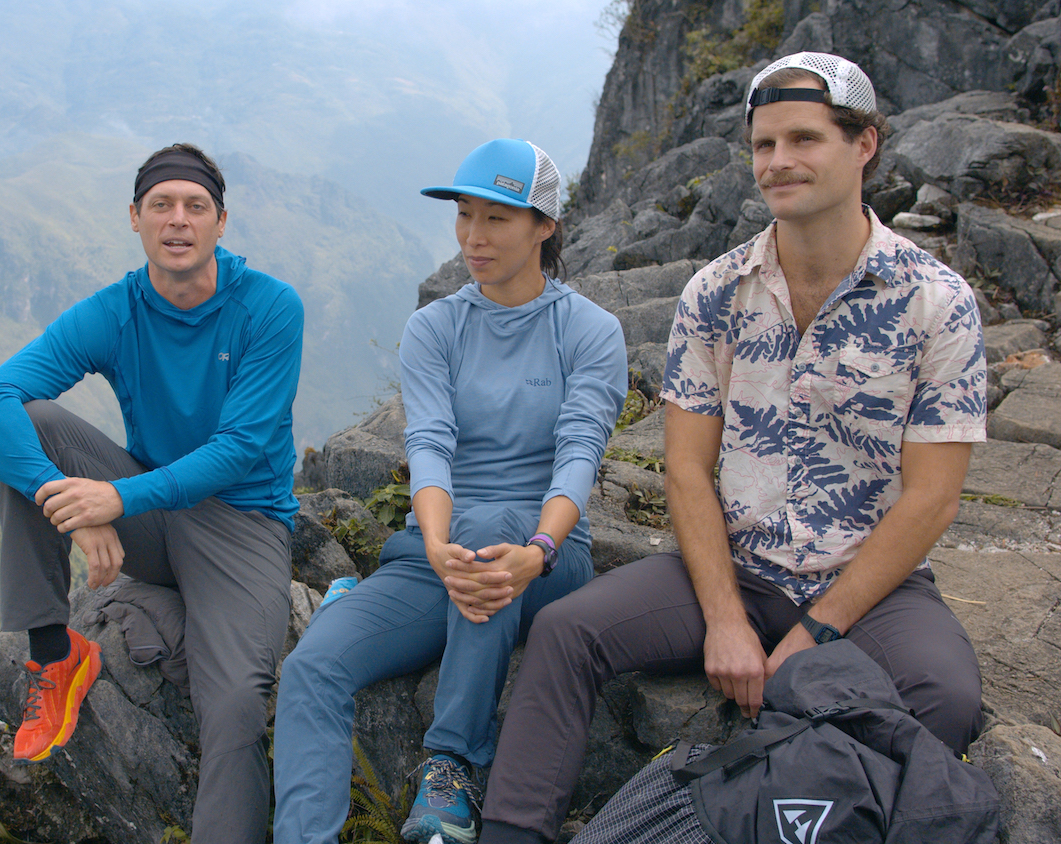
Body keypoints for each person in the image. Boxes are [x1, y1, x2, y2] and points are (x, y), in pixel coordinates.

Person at [475, 52, 989, 844]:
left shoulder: (936, 301)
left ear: (864, 145)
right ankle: (516, 832)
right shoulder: (716, 292)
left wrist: (814, 635)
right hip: (735, 565)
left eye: (804, 139)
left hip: (871, 586)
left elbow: (933, 497)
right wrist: (724, 620)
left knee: (946, 699)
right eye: (763, 144)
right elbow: (685, 466)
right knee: (566, 633)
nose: (779, 162)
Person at [273, 139, 628, 844]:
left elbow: (578, 456)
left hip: (546, 556)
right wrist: (434, 544)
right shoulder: (437, 327)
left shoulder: (589, 331)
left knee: (492, 531)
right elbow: (429, 445)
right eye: (464, 216)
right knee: (314, 666)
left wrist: (539, 547)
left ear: (544, 226)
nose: (473, 236)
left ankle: (453, 764)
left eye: (496, 219)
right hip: (437, 552)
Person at [0, 142, 303, 844]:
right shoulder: (115, 311)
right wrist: (66, 499)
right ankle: (55, 654)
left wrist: (116, 502)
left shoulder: (268, 308)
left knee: (235, 703)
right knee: (33, 424)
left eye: (195, 207)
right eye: (161, 206)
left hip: (242, 523)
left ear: (221, 222)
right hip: (150, 518)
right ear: (135, 219)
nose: (178, 221)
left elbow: (240, 449)